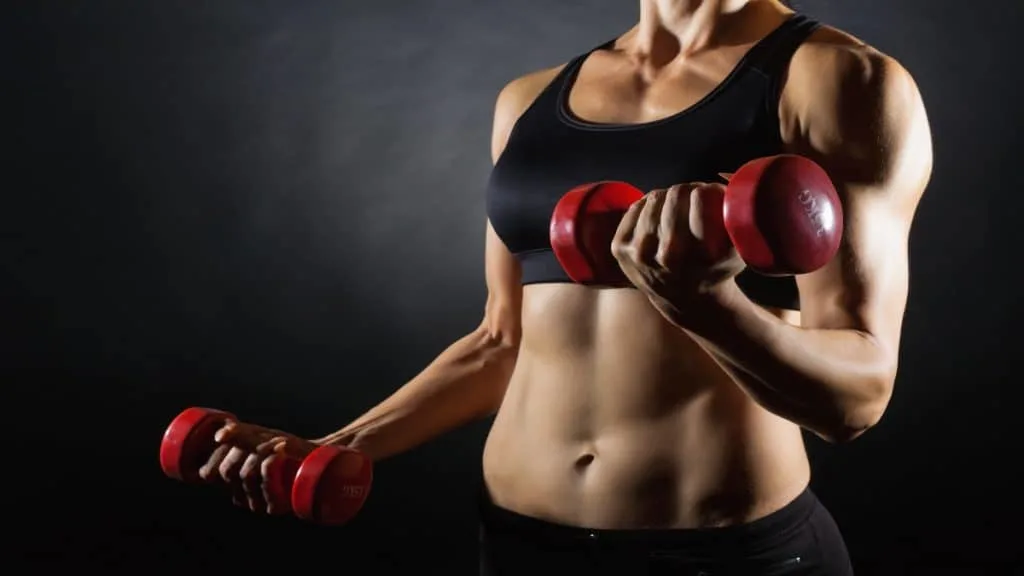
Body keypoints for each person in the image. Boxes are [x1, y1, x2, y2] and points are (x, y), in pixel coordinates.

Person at [200, 0, 932, 573]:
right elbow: (500, 341)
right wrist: (336, 445)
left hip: (717, 555)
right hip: (521, 545)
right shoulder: (529, 100)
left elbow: (857, 398)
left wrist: (708, 307)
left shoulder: (838, 81)